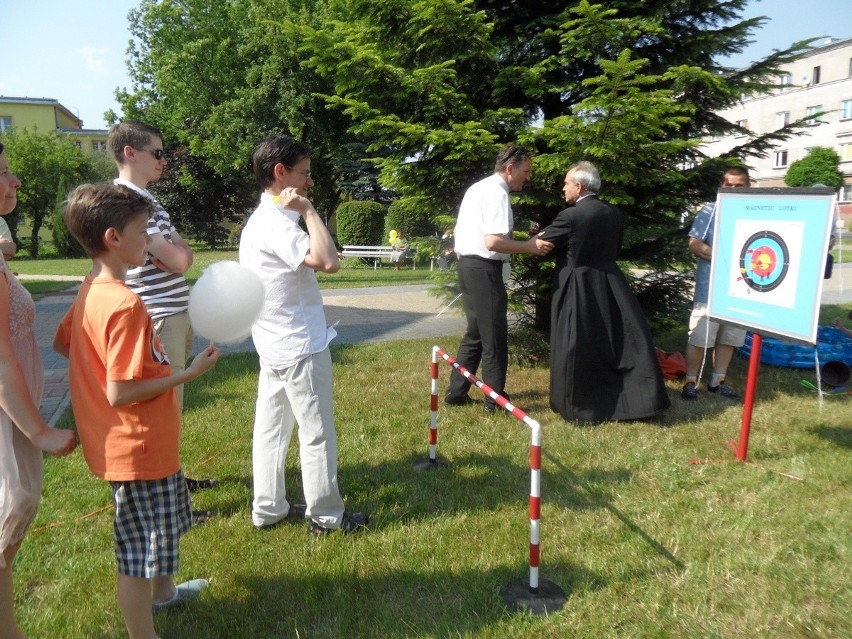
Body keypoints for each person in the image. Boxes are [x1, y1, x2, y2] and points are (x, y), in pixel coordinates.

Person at [54, 183, 220, 639]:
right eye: (143, 233)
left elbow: (65, 342)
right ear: (113, 238)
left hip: (139, 444)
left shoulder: (91, 289)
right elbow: (121, 392)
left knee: (162, 530)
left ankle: (165, 594)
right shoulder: (126, 305)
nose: (148, 242)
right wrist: (188, 373)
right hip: (137, 448)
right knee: (139, 555)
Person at [239, 134, 367, 534]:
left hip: (275, 344)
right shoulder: (276, 223)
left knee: (271, 431)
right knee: (316, 434)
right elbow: (329, 262)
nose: (310, 182)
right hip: (298, 346)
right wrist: (310, 211)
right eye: (305, 174)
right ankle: (327, 518)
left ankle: (269, 508)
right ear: (281, 174)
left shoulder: (259, 222)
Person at [108, 121, 218, 515]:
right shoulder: (127, 201)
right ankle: (169, 500)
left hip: (172, 313)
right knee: (160, 410)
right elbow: (177, 258)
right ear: (130, 153)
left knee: (170, 408)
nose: (164, 160)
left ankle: (172, 480)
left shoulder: (148, 201)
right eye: (157, 152)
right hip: (158, 317)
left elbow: (180, 255)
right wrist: (178, 249)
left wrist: (177, 249)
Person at [0, 142, 77, 638]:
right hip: (9, 420)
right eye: (4, 172)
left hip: (13, 419)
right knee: (8, 511)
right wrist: (40, 429)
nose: (15, 181)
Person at [538, 161, 670, 423]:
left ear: (578, 186)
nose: (562, 188)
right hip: (610, 282)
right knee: (612, 342)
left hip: (577, 286)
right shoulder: (613, 213)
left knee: (578, 343)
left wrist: (531, 238)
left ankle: (580, 405)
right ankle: (632, 400)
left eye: (565, 183)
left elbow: (544, 244)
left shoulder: (570, 216)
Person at [444, 143, 554, 412]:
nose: (528, 177)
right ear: (509, 169)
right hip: (483, 269)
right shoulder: (497, 193)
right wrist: (529, 246)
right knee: (494, 337)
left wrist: (523, 240)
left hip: (468, 266)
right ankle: (495, 400)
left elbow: (470, 233)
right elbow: (493, 242)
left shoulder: (478, 188)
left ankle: (455, 394)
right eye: (525, 171)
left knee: (476, 334)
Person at [681, 167, 751, 401]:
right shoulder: (710, 210)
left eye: (738, 185)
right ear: (722, 185)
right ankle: (691, 381)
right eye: (728, 185)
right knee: (700, 337)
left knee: (729, 337)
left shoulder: (754, 212)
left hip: (742, 288)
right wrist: (729, 259)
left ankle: (718, 380)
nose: (732, 189)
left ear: (747, 186)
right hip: (710, 289)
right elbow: (694, 244)